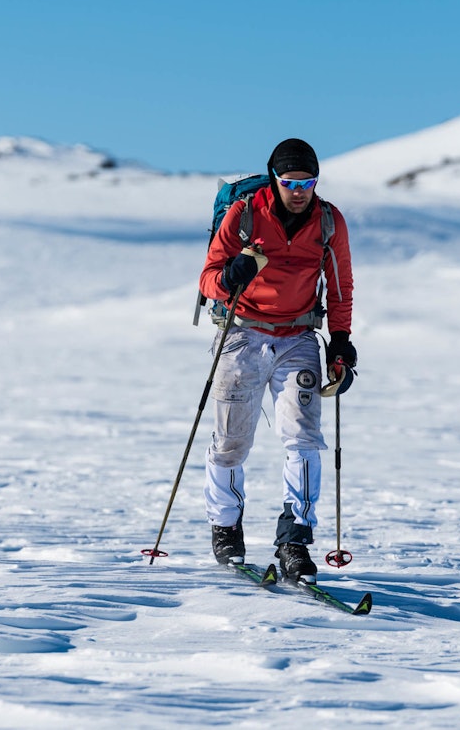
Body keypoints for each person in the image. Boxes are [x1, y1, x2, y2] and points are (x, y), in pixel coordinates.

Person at [198, 138, 356, 584]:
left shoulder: (328, 221)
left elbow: (341, 286)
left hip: (298, 337)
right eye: (290, 182)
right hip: (242, 333)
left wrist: (340, 342)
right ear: (275, 179)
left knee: (304, 438)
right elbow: (208, 279)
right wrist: (232, 277)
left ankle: (295, 539)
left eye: (308, 182)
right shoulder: (245, 215)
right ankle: (226, 528)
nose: (300, 191)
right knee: (231, 440)